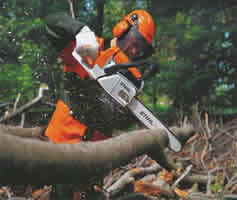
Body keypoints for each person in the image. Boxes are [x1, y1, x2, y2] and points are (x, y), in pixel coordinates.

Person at [43, 10, 156, 143]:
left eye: (141, 49)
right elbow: (52, 22)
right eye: (135, 42)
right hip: (60, 141)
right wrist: (80, 31)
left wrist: (125, 110)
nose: (135, 51)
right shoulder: (90, 47)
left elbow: (125, 123)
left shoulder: (130, 79)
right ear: (123, 29)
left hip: (96, 156)